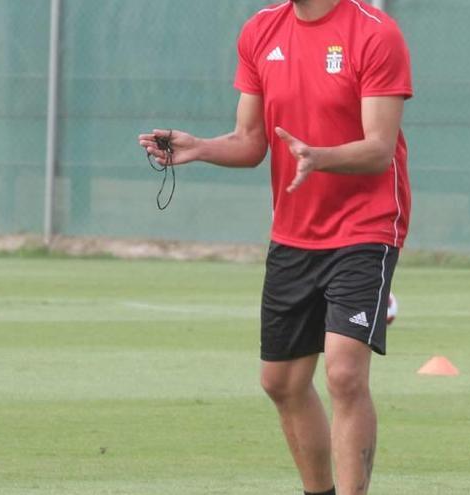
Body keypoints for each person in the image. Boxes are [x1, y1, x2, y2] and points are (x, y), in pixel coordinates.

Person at [138, 1, 412, 493]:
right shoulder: (261, 31)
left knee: (344, 372)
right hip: (294, 231)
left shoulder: (375, 33)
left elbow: (379, 148)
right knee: (280, 383)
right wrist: (198, 147)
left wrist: (320, 157)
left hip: (366, 226)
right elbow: (249, 141)